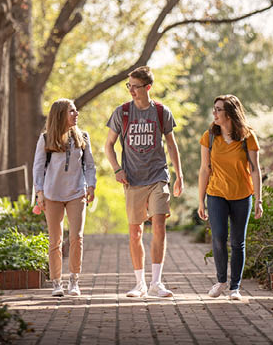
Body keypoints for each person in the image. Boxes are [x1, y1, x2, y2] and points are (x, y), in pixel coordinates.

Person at [105, 66, 183, 298]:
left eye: (135, 87)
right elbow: (108, 145)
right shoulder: (123, 112)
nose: (131, 90)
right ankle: (140, 284)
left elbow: (171, 144)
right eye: (129, 86)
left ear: (147, 87)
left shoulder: (161, 111)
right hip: (133, 179)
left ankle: (156, 283)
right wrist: (117, 169)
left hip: (158, 176)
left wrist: (179, 175)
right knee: (135, 232)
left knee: (159, 224)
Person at [198, 94, 263, 301]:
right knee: (218, 238)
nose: (214, 113)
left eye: (219, 109)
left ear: (230, 113)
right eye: (214, 108)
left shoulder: (248, 136)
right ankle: (221, 281)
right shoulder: (209, 136)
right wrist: (201, 200)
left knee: (237, 242)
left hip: (242, 195)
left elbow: (255, 170)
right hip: (216, 193)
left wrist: (258, 200)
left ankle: (235, 287)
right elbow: (204, 170)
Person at [33, 98, 96, 297]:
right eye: (72, 111)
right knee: (55, 241)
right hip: (52, 195)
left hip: (77, 193)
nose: (76, 114)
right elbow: (38, 167)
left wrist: (91, 185)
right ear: (61, 114)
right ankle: (57, 283)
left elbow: (90, 165)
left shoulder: (82, 137)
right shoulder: (45, 139)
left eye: (76, 111)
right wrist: (40, 193)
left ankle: (74, 281)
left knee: (77, 237)